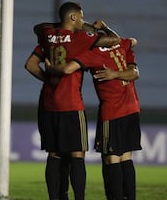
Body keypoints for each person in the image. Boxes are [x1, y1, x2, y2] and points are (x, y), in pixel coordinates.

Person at [26, 1, 120, 200]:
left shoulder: (46, 36)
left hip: (47, 103)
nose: (83, 20)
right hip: (70, 104)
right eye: (81, 16)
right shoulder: (80, 39)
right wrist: (96, 28)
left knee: (54, 154)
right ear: (73, 17)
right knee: (77, 154)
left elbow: (30, 64)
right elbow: (113, 40)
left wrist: (49, 80)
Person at [45, 23, 141, 200]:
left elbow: (67, 69)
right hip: (133, 107)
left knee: (111, 158)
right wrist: (105, 26)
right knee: (126, 156)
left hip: (113, 111)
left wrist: (50, 69)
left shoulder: (92, 54)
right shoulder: (122, 44)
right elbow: (134, 68)